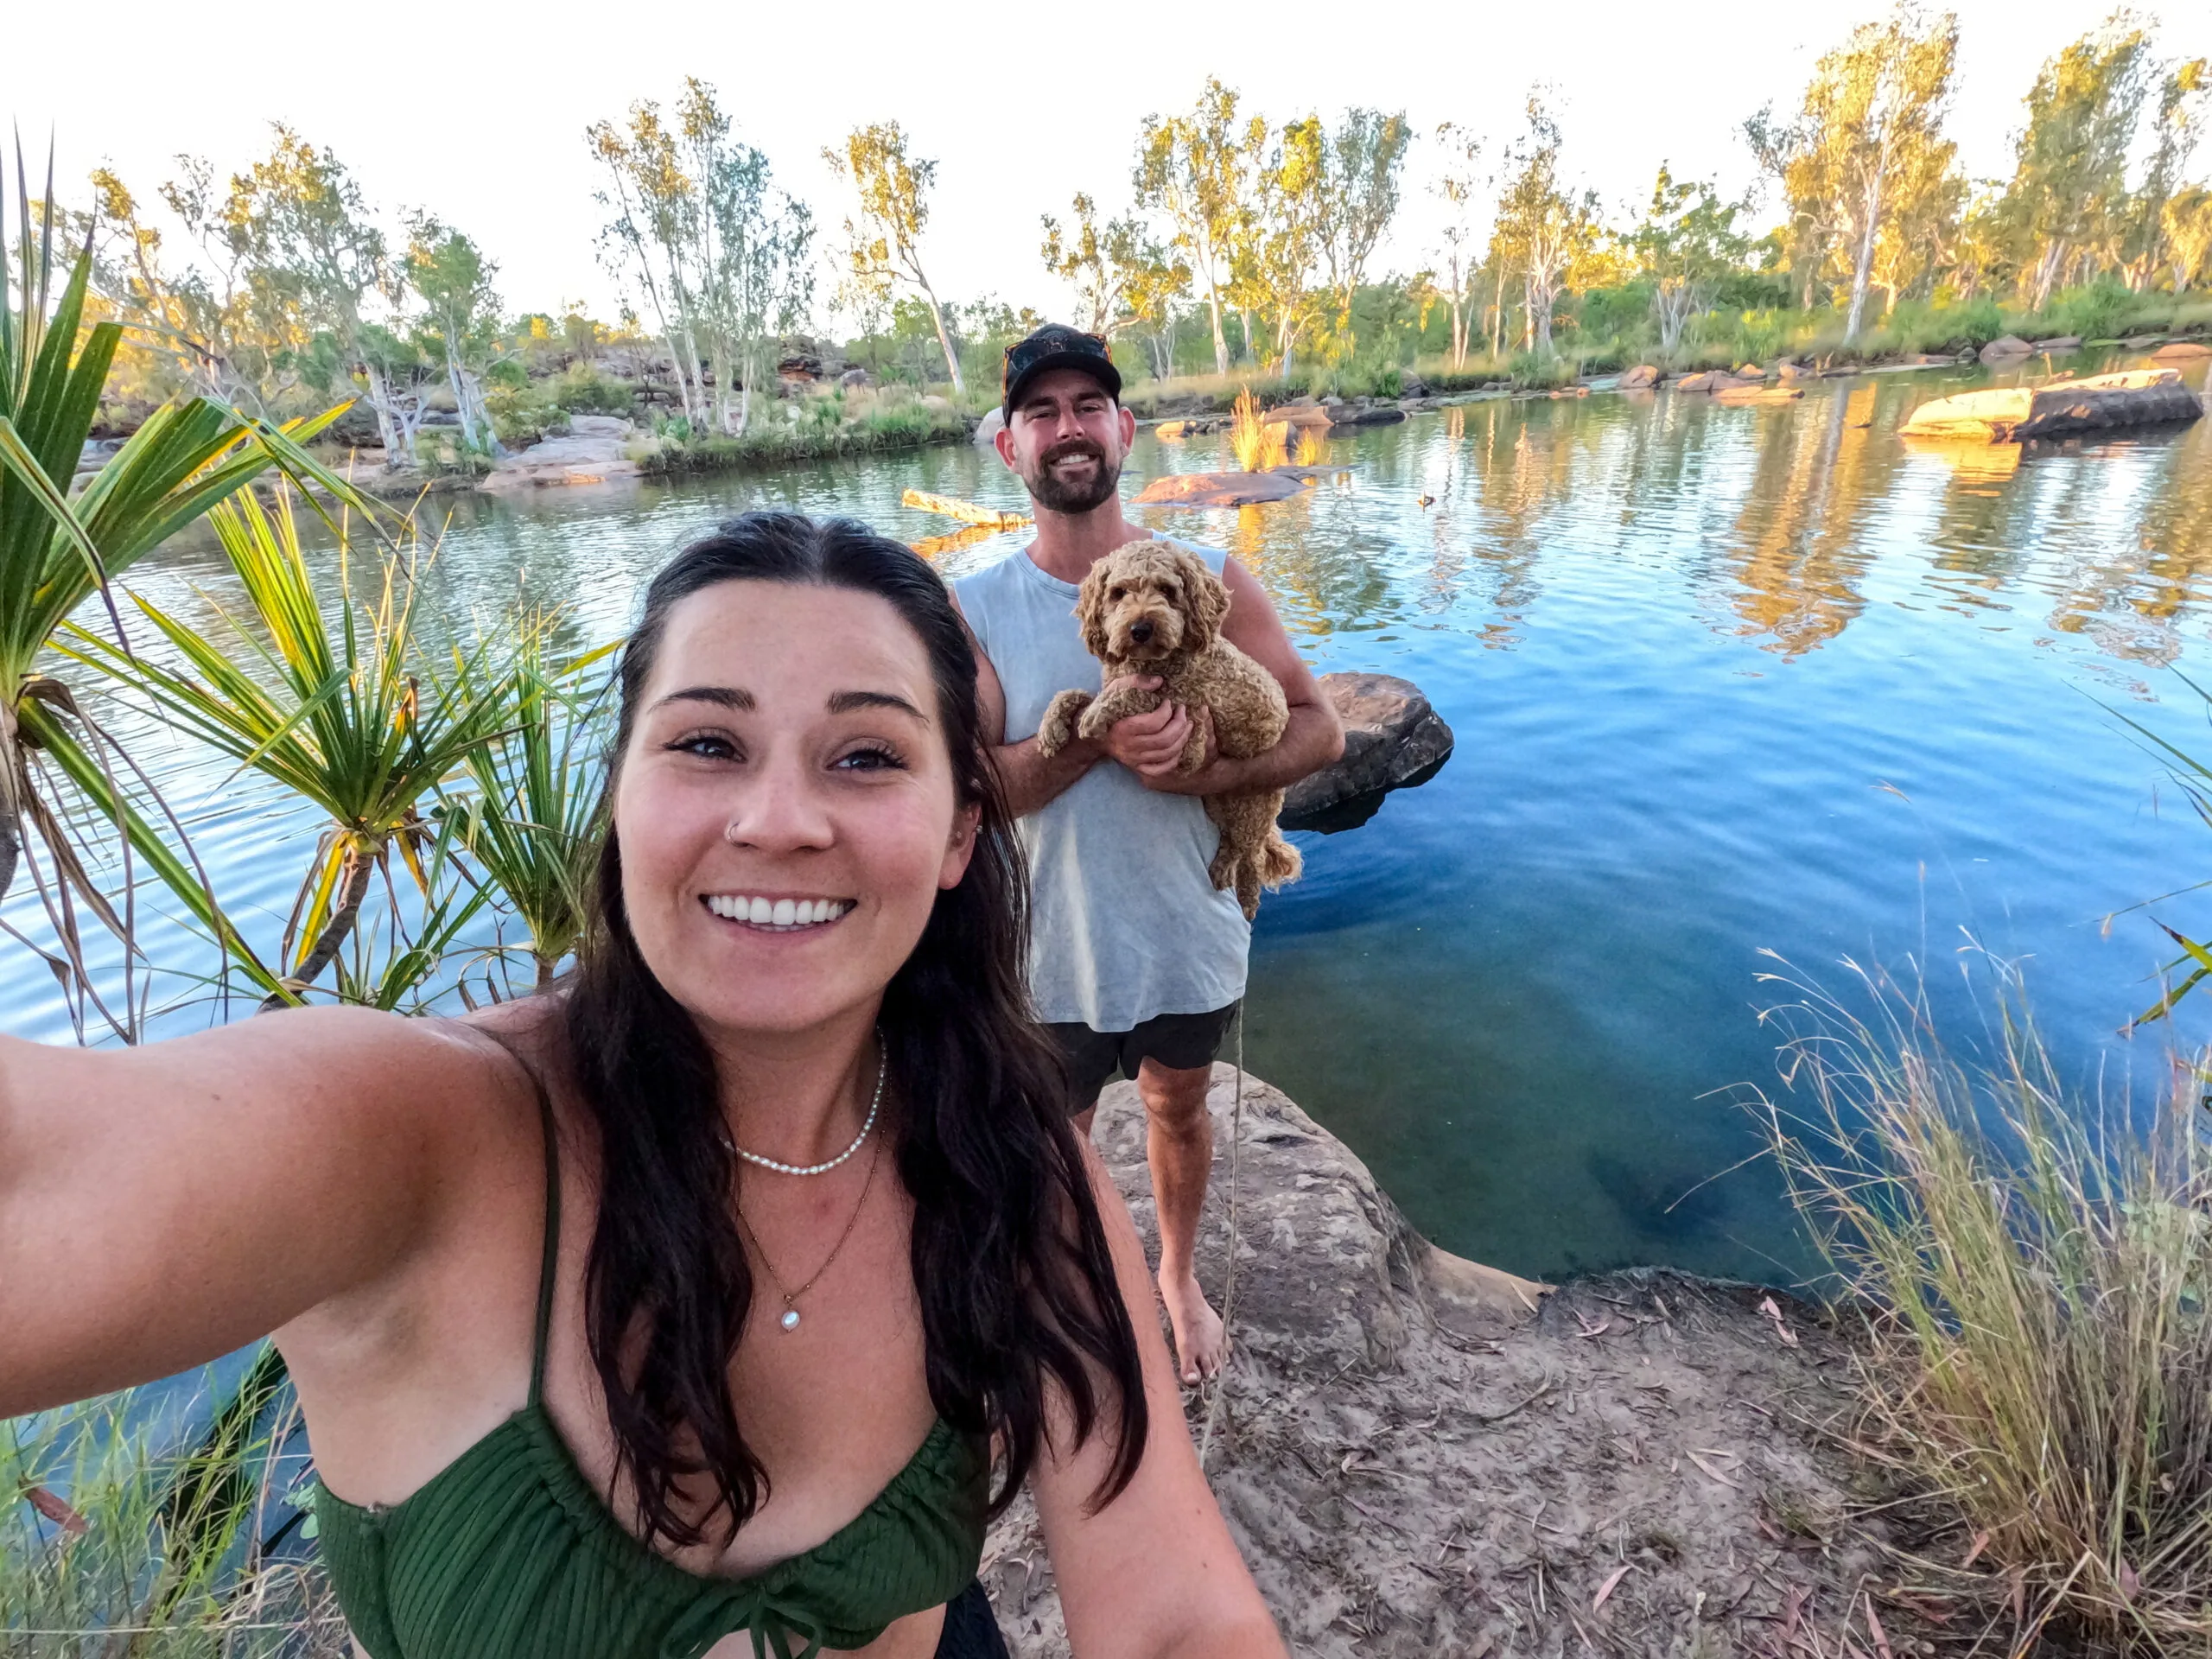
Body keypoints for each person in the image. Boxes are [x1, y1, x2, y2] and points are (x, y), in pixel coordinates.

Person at [0, 513, 1284, 1659]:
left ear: (959, 830)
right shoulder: (418, 1131)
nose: (780, 819)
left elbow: (1176, 1616)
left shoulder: (1007, 1158)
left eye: (867, 757)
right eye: (710, 741)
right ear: (622, 795)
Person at [952, 327, 1344, 1385]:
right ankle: (1074, 1287)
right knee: (1054, 1138)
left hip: (1185, 934)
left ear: (1125, 430)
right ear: (1009, 446)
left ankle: (1175, 1279)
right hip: (1047, 955)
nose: (1068, 429)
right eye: (1042, 412)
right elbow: (971, 792)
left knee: (1178, 1107)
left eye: (1089, 406)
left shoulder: (1214, 577)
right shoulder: (974, 610)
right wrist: (1097, 736)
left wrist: (1205, 778)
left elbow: (1317, 730)